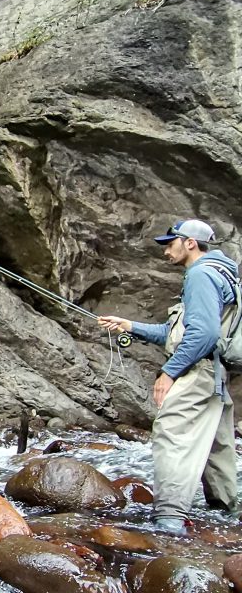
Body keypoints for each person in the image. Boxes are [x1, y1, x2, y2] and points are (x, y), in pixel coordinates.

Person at [98, 219, 239, 535]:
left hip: (198, 373)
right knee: (217, 448)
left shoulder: (200, 274)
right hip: (215, 376)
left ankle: (170, 520)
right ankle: (227, 520)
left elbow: (204, 333)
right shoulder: (220, 274)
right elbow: (175, 332)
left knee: (171, 434)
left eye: (170, 242)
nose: (165, 250)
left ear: (190, 243)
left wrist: (168, 373)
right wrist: (130, 326)